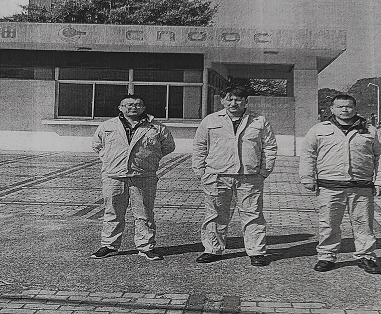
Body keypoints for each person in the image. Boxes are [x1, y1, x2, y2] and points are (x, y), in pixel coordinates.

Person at [299, 94, 381, 274]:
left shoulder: (370, 131)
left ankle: (366, 256)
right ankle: (326, 256)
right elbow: (308, 154)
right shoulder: (319, 129)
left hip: (361, 186)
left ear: (355, 108)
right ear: (332, 109)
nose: (344, 110)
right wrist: (307, 177)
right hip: (330, 186)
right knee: (329, 223)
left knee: (363, 223)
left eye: (348, 106)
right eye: (340, 107)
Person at [192, 85, 277, 267]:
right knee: (215, 214)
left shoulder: (259, 121)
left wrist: (264, 171)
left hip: (249, 176)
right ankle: (213, 249)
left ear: (246, 101)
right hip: (217, 175)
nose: (233, 103)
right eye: (229, 99)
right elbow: (199, 146)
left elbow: (269, 146)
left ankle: (256, 252)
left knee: (252, 214)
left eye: (238, 99)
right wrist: (200, 171)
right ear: (222, 101)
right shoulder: (210, 120)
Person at [90, 94, 176, 261]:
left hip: (143, 175)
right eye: (128, 105)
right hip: (114, 176)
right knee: (113, 212)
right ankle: (109, 245)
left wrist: (149, 160)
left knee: (144, 213)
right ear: (120, 108)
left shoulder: (156, 127)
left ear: (143, 108)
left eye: (137, 104)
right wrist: (110, 159)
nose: (133, 107)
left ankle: (146, 247)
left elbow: (168, 146)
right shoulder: (107, 126)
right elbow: (97, 145)